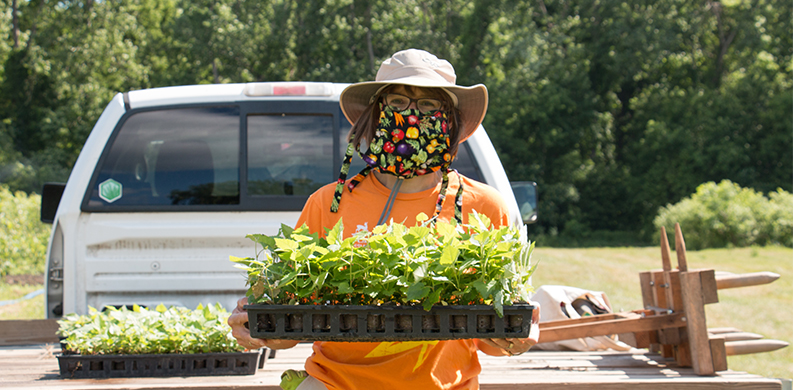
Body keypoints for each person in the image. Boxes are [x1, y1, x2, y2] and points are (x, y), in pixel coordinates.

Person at [229, 49, 540, 390]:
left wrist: (516, 336)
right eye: (398, 103)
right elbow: (288, 329)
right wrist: (256, 327)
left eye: (427, 106)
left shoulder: (483, 206)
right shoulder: (329, 203)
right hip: (335, 384)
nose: (411, 117)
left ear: (448, 119)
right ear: (376, 114)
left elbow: (488, 337)